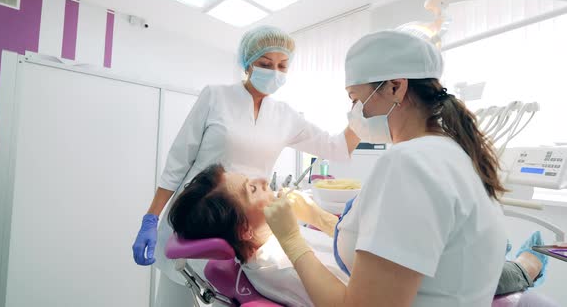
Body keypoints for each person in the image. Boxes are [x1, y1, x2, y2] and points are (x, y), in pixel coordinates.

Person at [263, 30, 509, 306]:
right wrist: (319, 217)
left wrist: (292, 240)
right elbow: (393, 242)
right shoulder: (454, 154)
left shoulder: (409, 163)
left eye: (355, 99)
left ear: (395, 87)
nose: (355, 111)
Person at [131, 26, 360, 307]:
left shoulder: (286, 115)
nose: (274, 71)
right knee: (174, 296)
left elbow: (336, 146)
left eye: (282, 65)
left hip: (240, 227)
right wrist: (151, 219)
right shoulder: (215, 97)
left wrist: (365, 109)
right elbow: (178, 162)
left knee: (224, 297)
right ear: (248, 63)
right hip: (196, 217)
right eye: (265, 64)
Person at [169, 164, 548, 307]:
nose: (261, 179)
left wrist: (313, 217)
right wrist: (295, 237)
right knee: (480, 266)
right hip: (408, 289)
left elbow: (343, 248)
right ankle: (526, 267)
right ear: (244, 228)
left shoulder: (270, 243)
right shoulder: (277, 262)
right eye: (250, 189)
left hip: (378, 265)